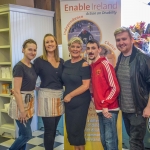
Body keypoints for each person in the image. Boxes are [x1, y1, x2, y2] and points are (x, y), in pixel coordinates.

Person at [114, 27, 150, 150]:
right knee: (134, 141)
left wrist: (148, 107)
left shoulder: (143, 58)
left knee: (135, 143)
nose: (121, 42)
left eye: (124, 39)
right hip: (125, 109)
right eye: (118, 40)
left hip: (138, 110)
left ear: (131, 39)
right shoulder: (121, 57)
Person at [86, 39, 120, 150]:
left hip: (109, 109)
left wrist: (105, 104)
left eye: (93, 48)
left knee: (110, 142)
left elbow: (115, 88)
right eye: (88, 48)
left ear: (99, 50)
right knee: (104, 141)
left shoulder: (105, 64)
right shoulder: (92, 67)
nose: (90, 51)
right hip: (100, 109)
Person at [33, 34, 64, 150]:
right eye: (47, 42)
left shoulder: (61, 61)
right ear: (44, 45)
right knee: (49, 130)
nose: (50, 44)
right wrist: (35, 87)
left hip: (59, 97)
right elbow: (31, 77)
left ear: (56, 44)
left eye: (52, 41)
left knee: (54, 128)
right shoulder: (39, 61)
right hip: (46, 97)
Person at [62, 37, 91, 150]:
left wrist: (70, 95)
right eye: (73, 46)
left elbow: (85, 85)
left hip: (80, 102)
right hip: (68, 104)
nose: (75, 49)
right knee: (71, 131)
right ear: (69, 48)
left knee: (78, 131)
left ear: (81, 49)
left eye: (78, 47)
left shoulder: (84, 65)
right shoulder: (66, 63)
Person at [8, 39, 37, 150]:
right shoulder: (19, 67)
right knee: (27, 135)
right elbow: (16, 91)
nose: (32, 52)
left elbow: (29, 84)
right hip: (20, 104)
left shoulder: (32, 66)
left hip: (29, 102)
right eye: (29, 49)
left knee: (22, 134)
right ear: (23, 50)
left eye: (34, 50)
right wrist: (22, 110)